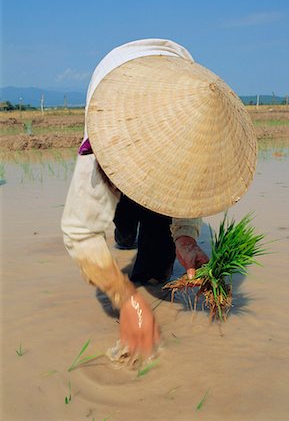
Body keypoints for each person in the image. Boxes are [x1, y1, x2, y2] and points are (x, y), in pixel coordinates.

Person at [61, 38, 257, 357]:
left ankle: (150, 268)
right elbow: (79, 231)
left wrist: (185, 238)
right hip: (116, 85)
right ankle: (125, 235)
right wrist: (126, 300)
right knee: (123, 222)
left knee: (156, 265)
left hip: (175, 66)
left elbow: (189, 187)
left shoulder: (198, 109)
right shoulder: (107, 129)